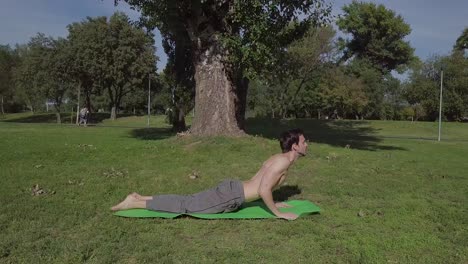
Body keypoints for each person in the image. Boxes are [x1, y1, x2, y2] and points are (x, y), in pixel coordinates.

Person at [111, 128, 308, 220]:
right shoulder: (282, 162)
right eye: (304, 141)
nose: (307, 144)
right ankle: (134, 203)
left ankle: (139, 197)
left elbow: (263, 185)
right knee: (186, 206)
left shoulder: (278, 158)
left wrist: (276, 201)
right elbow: (264, 188)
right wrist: (279, 213)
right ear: (295, 146)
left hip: (232, 188)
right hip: (232, 195)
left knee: (187, 199)